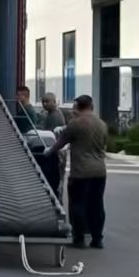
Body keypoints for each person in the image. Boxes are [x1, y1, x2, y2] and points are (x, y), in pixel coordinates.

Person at [52, 94, 110, 249]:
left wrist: (48, 151)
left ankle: (79, 239)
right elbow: (104, 145)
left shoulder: (75, 124)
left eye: (74, 108)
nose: (72, 111)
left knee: (78, 204)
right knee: (97, 204)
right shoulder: (102, 124)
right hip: (100, 171)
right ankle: (97, 239)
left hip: (80, 172)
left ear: (78, 107)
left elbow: (60, 144)